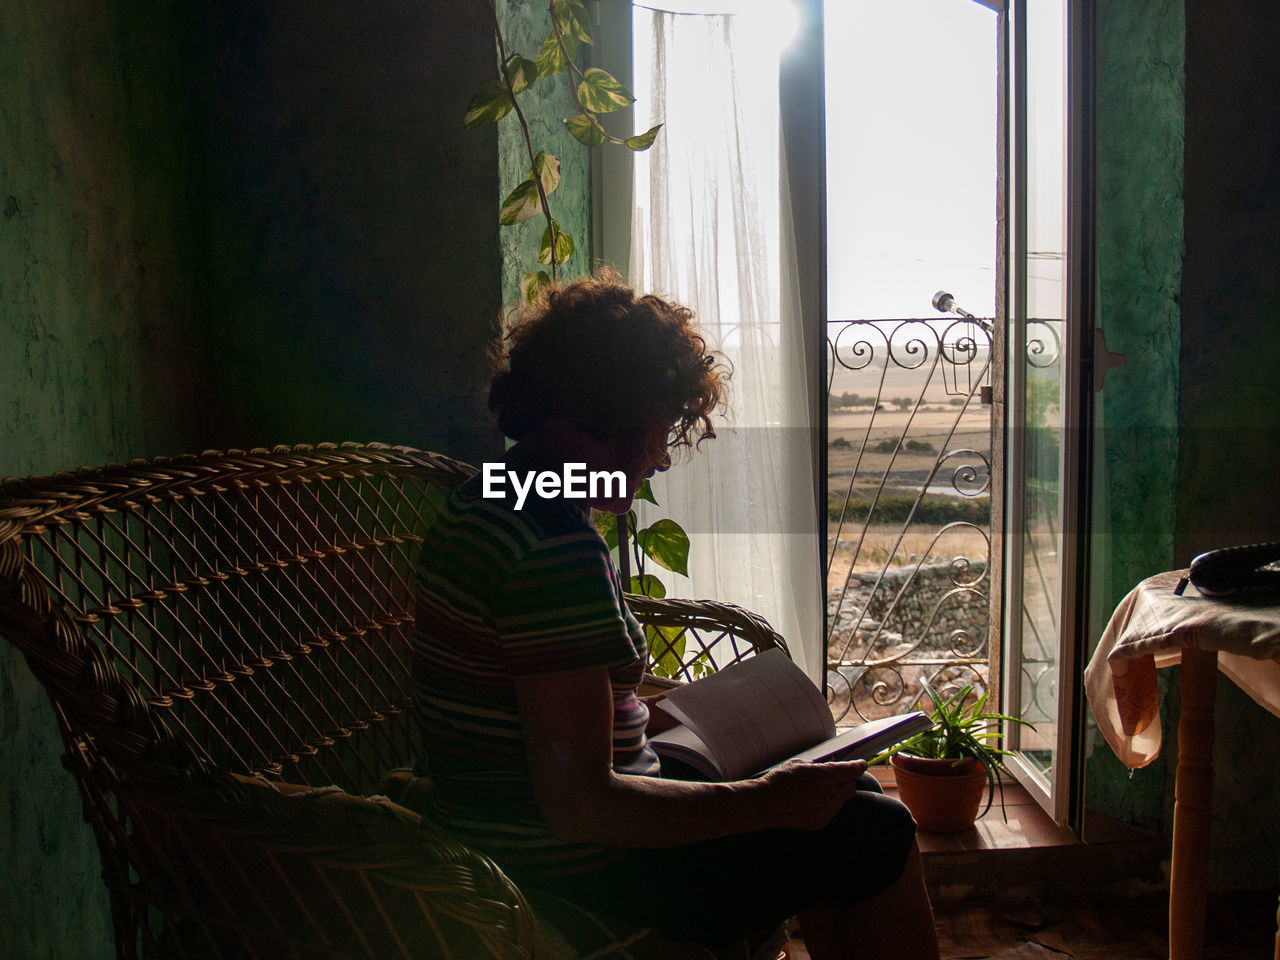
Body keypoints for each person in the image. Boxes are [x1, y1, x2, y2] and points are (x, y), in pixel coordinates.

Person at [411, 273, 941, 959]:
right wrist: (769, 799)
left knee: (851, 793)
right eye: (657, 431)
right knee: (879, 830)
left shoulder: (498, 496)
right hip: (580, 868)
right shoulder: (551, 552)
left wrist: (672, 717)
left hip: (520, 826)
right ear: (606, 416)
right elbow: (582, 808)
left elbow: (548, 702)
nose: (660, 457)